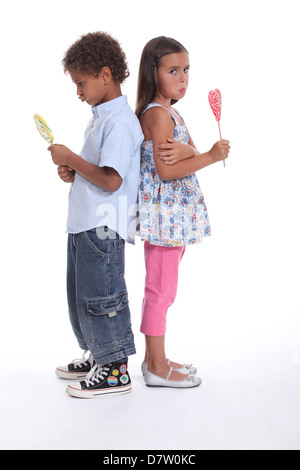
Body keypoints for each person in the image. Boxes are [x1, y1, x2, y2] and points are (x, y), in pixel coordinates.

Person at [48, 32, 144, 398]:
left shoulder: (119, 122)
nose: (78, 92)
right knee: (81, 295)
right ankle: (99, 356)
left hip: (102, 225)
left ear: (106, 74)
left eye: (81, 83)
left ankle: (116, 368)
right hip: (85, 222)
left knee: (101, 296)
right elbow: (98, 170)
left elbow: (111, 179)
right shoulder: (101, 116)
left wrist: (72, 159)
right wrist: (73, 170)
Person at [136, 36, 230, 388]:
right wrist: (208, 155)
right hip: (166, 220)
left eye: (186, 69)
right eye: (173, 70)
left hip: (173, 220)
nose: (183, 77)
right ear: (153, 73)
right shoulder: (159, 115)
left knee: (163, 289)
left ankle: (154, 358)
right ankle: (156, 368)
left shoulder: (170, 111)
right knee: (160, 291)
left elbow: (182, 151)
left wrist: (190, 151)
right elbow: (166, 171)